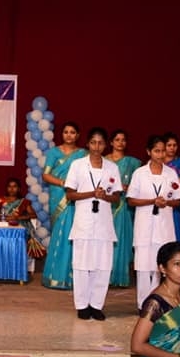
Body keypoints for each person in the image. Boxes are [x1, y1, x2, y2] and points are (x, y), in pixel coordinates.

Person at [65, 127, 122, 320]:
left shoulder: (112, 168)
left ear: (106, 145)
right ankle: (82, 305)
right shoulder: (78, 165)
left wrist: (104, 196)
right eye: (93, 142)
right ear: (88, 144)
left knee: (103, 266)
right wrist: (92, 194)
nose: (97, 147)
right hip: (83, 222)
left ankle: (96, 305)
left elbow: (117, 197)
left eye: (100, 143)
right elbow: (70, 194)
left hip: (104, 224)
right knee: (81, 266)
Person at [128, 135, 180, 310]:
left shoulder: (171, 173)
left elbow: (178, 200)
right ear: (149, 152)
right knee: (144, 268)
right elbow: (131, 200)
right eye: (156, 151)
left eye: (163, 151)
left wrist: (166, 202)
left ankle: (159, 302)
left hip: (164, 227)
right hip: (145, 226)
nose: (160, 155)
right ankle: (143, 304)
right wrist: (152, 201)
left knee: (161, 267)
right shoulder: (139, 173)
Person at [41, 121, 87, 290]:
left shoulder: (83, 154)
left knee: (75, 234)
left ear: (78, 135)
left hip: (76, 196)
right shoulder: (53, 152)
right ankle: (55, 276)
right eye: (66, 132)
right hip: (59, 195)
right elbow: (46, 175)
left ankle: (73, 277)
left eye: (72, 132)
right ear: (62, 134)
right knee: (60, 234)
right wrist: (63, 183)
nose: (69, 135)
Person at [107, 128, 140, 288]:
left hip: (124, 206)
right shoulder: (103, 161)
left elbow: (139, 185)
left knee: (121, 239)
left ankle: (119, 277)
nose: (120, 143)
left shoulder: (133, 163)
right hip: (106, 204)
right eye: (117, 139)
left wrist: (129, 187)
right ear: (111, 142)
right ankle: (104, 276)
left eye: (123, 140)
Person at [0, 177, 44, 270]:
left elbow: (33, 215)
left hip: (18, 224)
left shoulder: (24, 202)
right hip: (4, 224)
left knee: (22, 232)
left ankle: (17, 264)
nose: (12, 189)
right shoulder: (0, 200)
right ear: (6, 188)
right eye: (9, 186)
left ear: (18, 189)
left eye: (14, 186)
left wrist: (17, 218)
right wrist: (3, 217)